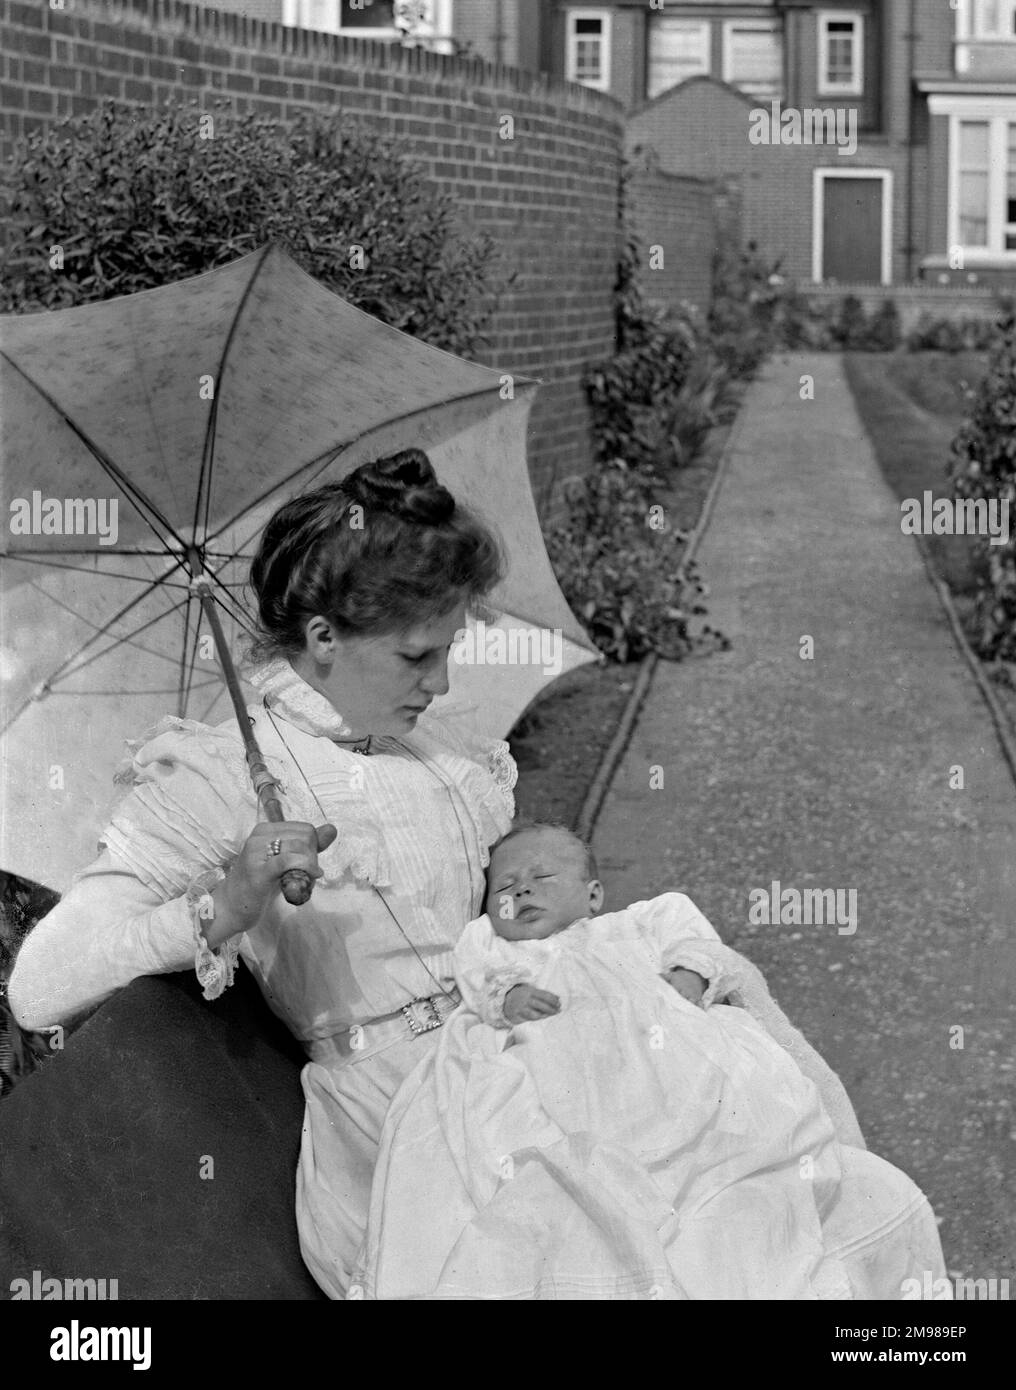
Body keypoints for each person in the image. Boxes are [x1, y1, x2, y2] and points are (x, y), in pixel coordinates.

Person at [9, 452, 948, 1302]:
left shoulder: (445, 755)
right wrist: (227, 902)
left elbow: (502, 926)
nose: (444, 684)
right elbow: (39, 988)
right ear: (326, 636)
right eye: (420, 654)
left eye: (450, 648)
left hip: (525, 1054)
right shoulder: (217, 778)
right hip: (405, 1127)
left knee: (824, 1204)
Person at [352, 821, 898, 1298]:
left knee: (729, 1114)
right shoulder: (499, 946)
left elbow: (695, 939)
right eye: (504, 887)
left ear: (593, 896)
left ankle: (721, 1207)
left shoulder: (637, 923)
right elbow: (478, 974)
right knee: (590, 1150)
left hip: (669, 1053)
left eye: (542, 878)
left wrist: (688, 973)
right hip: (569, 1066)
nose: (520, 891)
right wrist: (509, 996)